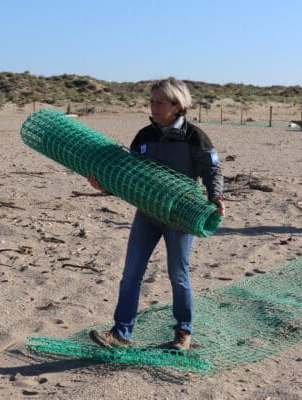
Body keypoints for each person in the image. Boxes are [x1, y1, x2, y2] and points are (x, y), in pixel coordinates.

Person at [87, 77, 225, 350]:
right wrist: (105, 185)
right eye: (151, 101)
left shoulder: (195, 136)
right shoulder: (144, 137)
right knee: (131, 274)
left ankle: (183, 333)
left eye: (159, 102)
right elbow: (129, 177)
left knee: (178, 274)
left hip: (181, 216)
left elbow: (212, 170)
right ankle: (120, 334)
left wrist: (216, 196)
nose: (153, 106)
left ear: (177, 105)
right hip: (147, 215)